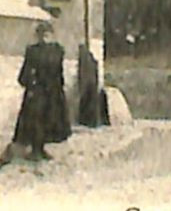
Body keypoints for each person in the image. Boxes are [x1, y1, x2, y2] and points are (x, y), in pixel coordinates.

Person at [13, 23, 71, 161]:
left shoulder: (58, 51)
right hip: (37, 91)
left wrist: (61, 89)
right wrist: (30, 84)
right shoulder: (33, 51)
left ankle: (42, 148)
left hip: (53, 91)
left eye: (47, 35)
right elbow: (25, 73)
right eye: (42, 35)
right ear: (37, 37)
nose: (44, 38)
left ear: (52, 36)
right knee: (36, 120)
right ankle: (35, 150)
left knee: (50, 120)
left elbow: (59, 72)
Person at [76, 41, 108, 128]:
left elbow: (83, 73)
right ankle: (92, 121)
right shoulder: (91, 60)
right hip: (91, 84)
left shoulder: (87, 60)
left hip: (89, 85)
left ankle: (90, 122)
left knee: (90, 105)